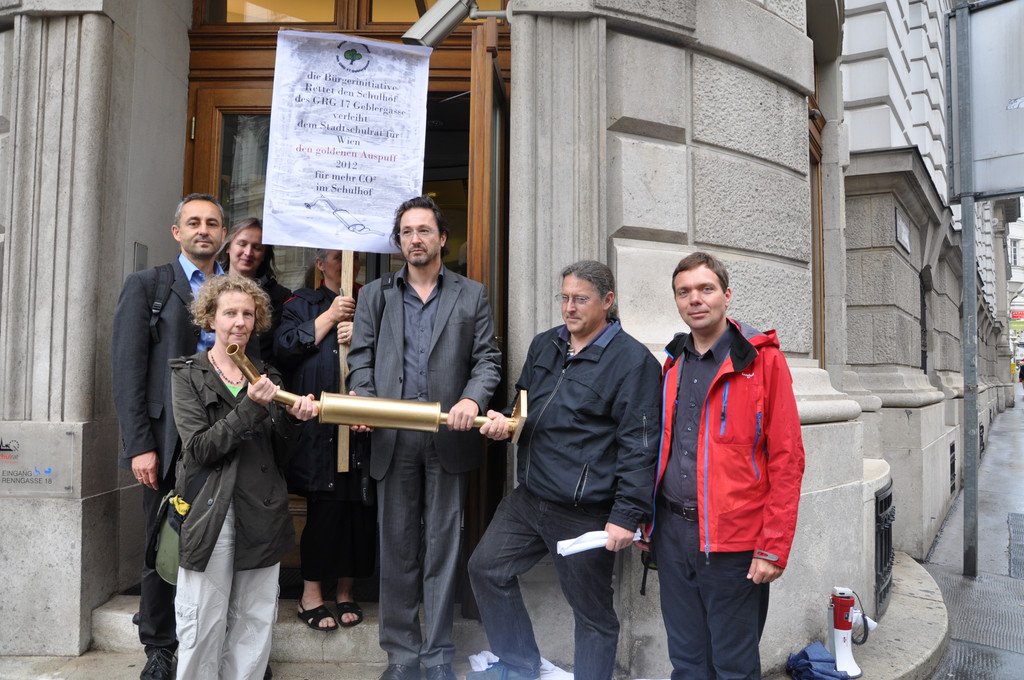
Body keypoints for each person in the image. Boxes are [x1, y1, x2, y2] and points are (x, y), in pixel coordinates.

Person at [467, 260, 662, 680]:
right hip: (529, 497)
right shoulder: (545, 344)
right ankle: (519, 663)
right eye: (565, 298)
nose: (569, 308)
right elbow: (522, 406)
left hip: (583, 512)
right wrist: (504, 422)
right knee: (486, 569)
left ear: (607, 301)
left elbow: (640, 446)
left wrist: (626, 515)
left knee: (592, 616)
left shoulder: (634, 363)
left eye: (580, 299)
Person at [348, 195, 502, 680]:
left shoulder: (471, 295)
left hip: (448, 435)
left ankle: (437, 658)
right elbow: (360, 358)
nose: (415, 239)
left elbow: (487, 360)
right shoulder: (376, 296)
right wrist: (363, 400)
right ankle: (401, 655)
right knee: (396, 550)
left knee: (442, 548)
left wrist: (473, 399)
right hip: (392, 437)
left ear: (442, 238)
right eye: (407, 232)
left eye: (424, 230)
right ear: (399, 242)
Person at [645, 251, 805, 679]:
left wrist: (773, 547)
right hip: (673, 536)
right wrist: (647, 520)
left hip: (733, 544)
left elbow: (787, 458)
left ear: (727, 295)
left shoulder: (761, 360)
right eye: (684, 292)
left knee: (733, 664)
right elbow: (661, 447)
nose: (695, 299)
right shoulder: (673, 362)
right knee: (686, 660)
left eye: (706, 289)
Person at [170, 274, 318, 679]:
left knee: (254, 623)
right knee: (202, 622)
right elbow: (200, 449)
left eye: (248, 314)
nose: (240, 321)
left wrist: (294, 420)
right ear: (210, 318)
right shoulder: (188, 374)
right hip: (210, 514)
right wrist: (251, 406)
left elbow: (281, 455)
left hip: (262, 511)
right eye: (230, 313)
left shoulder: (269, 376)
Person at [112, 193, 228, 680]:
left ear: (223, 234)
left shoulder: (235, 291)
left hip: (226, 440)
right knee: (163, 545)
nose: (204, 230)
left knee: (222, 548)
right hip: (167, 442)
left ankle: (217, 646)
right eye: (194, 222)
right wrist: (140, 445)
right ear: (177, 231)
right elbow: (127, 372)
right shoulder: (148, 286)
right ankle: (160, 647)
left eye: (213, 223)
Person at [275, 249, 374, 631]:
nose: (349, 262)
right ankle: (311, 595)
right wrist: (331, 317)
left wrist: (362, 332)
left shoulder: (373, 300)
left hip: (362, 424)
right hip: (319, 427)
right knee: (325, 511)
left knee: (358, 510)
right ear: (319, 264)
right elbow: (285, 349)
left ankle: (346, 591)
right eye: (337, 256)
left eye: (354, 256)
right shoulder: (301, 303)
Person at [219, 217, 292, 363]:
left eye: (257, 247)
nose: (248, 252)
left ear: (264, 255)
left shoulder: (280, 298)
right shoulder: (209, 290)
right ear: (228, 247)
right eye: (242, 244)